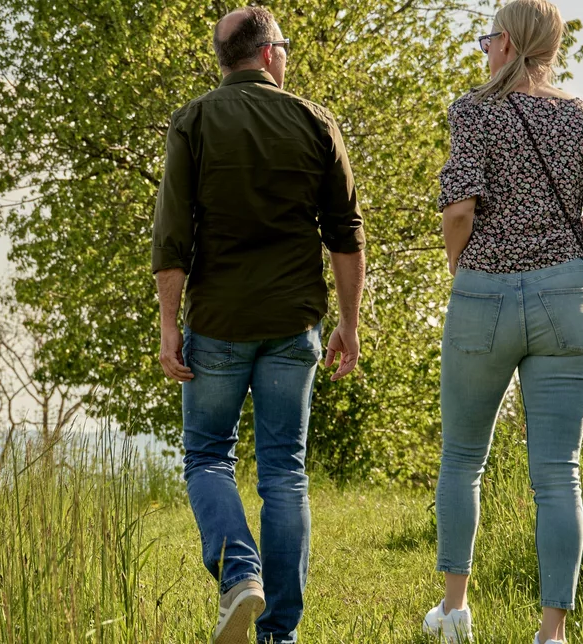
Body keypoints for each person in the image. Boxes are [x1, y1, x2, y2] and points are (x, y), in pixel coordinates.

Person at [150, 7, 366, 643]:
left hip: (217, 322)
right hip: (292, 322)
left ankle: (239, 573)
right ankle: (279, 633)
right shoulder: (313, 121)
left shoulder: (193, 122)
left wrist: (169, 325)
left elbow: (171, 235)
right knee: (284, 471)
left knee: (208, 456)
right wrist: (349, 324)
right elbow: (347, 235)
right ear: (270, 52)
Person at [421, 1, 583, 643]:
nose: (484, 50)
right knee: (557, 470)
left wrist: (464, 265)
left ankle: (455, 613)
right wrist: (579, 281)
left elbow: (459, 209)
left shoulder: (474, 110)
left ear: (507, 43)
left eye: (488, 39)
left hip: (484, 292)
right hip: (567, 298)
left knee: (461, 457)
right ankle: (551, 633)